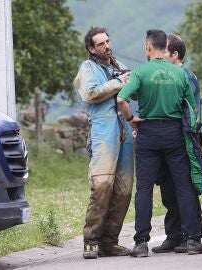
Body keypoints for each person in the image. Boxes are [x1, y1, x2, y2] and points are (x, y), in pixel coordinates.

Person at [117, 29, 202, 257]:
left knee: (144, 189)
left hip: (148, 134)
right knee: (184, 186)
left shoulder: (140, 72)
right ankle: (193, 240)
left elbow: (121, 99)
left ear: (148, 47)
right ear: (162, 47)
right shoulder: (180, 74)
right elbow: (192, 108)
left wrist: (131, 119)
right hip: (175, 134)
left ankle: (140, 243)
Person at [73, 27, 134, 259]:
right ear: (91, 49)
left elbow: (132, 92)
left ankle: (110, 242)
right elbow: (90, 94)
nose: (107, 46)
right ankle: (91, 240)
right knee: (102, 187)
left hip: (125, 132)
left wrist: (132, 80)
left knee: (124, 189)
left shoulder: (118, 66)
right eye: (101, 44)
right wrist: (120, 82)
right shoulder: (87, 68)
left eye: (108, 41)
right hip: (102, 132)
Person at [151, 34, 202, 254]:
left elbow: (188, 112)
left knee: (186, 189)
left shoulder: (185, 76)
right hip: (168, 138)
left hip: (184, 138)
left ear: (175, 55)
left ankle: (193, 237)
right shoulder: (166, 75)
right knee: (169, 190)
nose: (160, 55)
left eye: (164, 51)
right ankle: (174, 236)